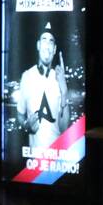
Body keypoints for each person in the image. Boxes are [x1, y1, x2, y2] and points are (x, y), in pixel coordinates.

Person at [17, 21, 69, 149]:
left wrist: (64, 91)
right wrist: (26, 125)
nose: (47, 45)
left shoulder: (59, 78)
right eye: (44, 40)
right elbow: (20, 114)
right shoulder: (27, 76)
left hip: (57, 156)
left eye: (51, 41)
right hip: (34, 158)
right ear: (38, 45)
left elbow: (64, 128)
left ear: (54, 49)